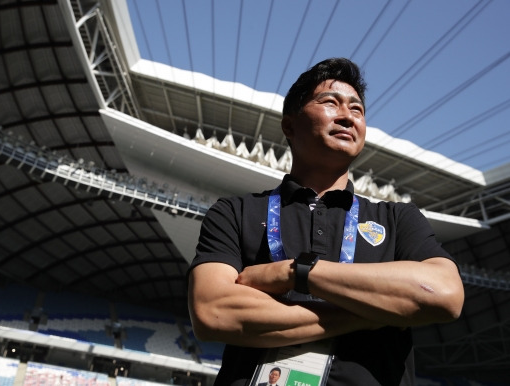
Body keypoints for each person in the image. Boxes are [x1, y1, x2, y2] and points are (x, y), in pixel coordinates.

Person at [187, 58, 464, 386]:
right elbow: (212, 312)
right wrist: (373, 312)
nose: (348, 116)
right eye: (330, 102)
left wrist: (296, 273)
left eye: (357, 110)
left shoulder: (398, 218)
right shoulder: (236, 212)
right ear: (290, 126)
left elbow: (444, 294)